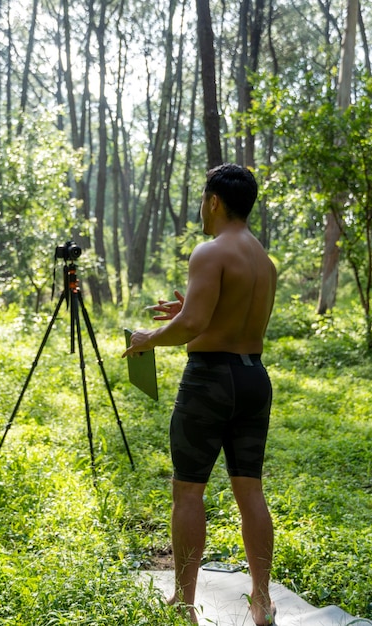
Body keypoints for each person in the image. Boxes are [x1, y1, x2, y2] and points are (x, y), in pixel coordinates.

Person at [122, 163, 277, 626]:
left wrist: (149, 338)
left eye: (202, 199)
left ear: (214, 200)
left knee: (188, 491)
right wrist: (186, 308)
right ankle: (261, 600)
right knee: (250, 489)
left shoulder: (209, 251)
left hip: (210, 379)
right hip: (254, 379)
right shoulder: (263, 260)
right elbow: (224, 311)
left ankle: (184, 603)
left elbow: (194, 326)